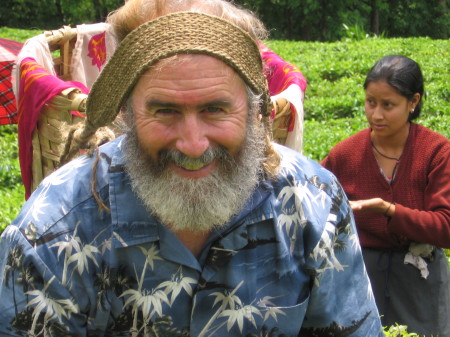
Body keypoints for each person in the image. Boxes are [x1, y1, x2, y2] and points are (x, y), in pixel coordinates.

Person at [0, 1, 383, 335]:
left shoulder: (313, 206)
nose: (193, 144)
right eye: (164, 110)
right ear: (127, 115)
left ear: (254, 112)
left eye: (215, 109)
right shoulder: (49, 235)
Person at [321, 55, 450, 336]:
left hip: (420, 279)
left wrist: (388, 210)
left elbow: (445, 228)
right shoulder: (345, 154)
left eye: (388, 105)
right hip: (360, 278)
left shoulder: (436, 152)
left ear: (413, 102)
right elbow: (314, 204)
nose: (376, 114)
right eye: (371, 102)